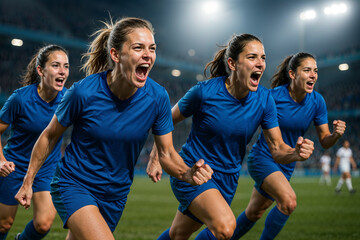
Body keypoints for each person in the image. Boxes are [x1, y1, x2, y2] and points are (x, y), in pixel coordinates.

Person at [14, 17, 213, 240]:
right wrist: (28, 181)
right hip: (74, 183)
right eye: (138, 47)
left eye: (152, 48)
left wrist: (187, 173)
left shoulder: (158, 98)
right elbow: (49, 136)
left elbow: (166, 154)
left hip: (115, 195)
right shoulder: (83, 93)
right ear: (116, 55)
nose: (148, 54)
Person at [147, 34, 314, 240]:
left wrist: (295, 153)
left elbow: (278, 149)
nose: (260, 63)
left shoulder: (264, 100)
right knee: (225, 228)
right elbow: (165, 121)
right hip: (193, 170)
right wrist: (157, 157)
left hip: (228, 178)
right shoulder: (204, 92)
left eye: (263, 57)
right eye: (252, 57)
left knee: (179, 234)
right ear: (232, 63)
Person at [232, 52, 346, 240]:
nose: (313, 75)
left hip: (288, 162)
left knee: (254, 213)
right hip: (264, 158)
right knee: (288, 201)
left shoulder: (317, 101)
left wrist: (335, 135)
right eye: (307, 70)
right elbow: (245, 119)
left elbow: (325, 141)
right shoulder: (273, 97)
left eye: (315, 71)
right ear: (292, 74)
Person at [0, 44, 69, 240]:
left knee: (43, 223)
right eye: (56, 65)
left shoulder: (68, 100)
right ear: (41, 70)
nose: (62, 71)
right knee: (4, 224)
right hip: (15, 166)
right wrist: (1, 160)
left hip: (47, 168)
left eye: (66, 66)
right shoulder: (20, 99)